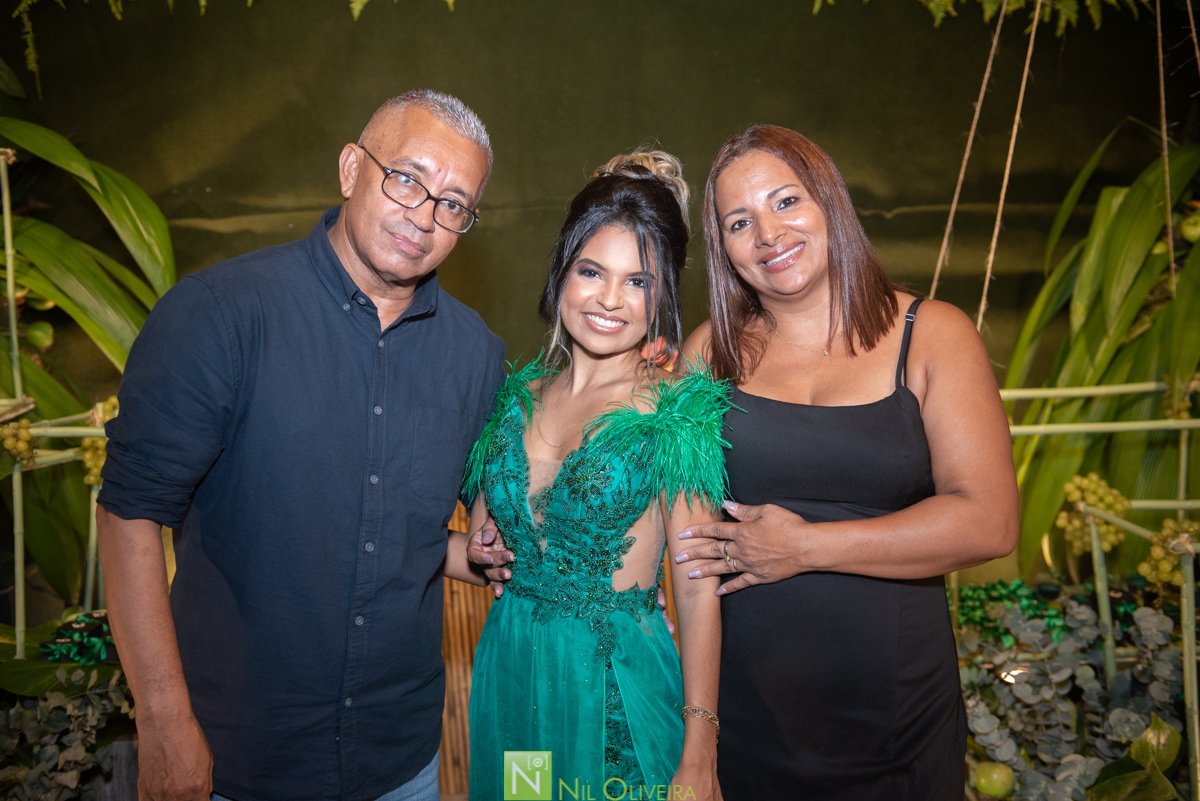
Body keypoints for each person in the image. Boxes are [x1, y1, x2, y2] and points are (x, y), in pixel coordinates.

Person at [96, 90, 507, 801]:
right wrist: (162, 721)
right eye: (406, 179)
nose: (424, 216)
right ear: (351, 168)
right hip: (234, 756)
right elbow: (129, 512)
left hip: (399, 763)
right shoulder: (222, 314)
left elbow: (473, 532)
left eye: (454, 204)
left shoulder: (475, 354)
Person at [673, 125, 1019, 800]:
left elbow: (990, 522)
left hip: (898, 723)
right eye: (740, 222)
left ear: (829, 201)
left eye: (786, 201)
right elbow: (690, 554)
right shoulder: (707, 356)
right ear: (723, 248)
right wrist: (699, 736)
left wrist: (805, 546)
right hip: (748, 722)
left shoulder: (934, 335)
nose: (768, 234)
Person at [444, 151, 726, 801]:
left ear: (663, 294)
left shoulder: (675, 412)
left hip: (613, 686)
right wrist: (482, 546)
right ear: (562, 269)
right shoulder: (513, 399)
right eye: (592, 271)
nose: (609, 299)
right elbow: (486, 542)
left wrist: (701, 748)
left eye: (638, 281)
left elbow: (697, 589)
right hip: (515, 678)